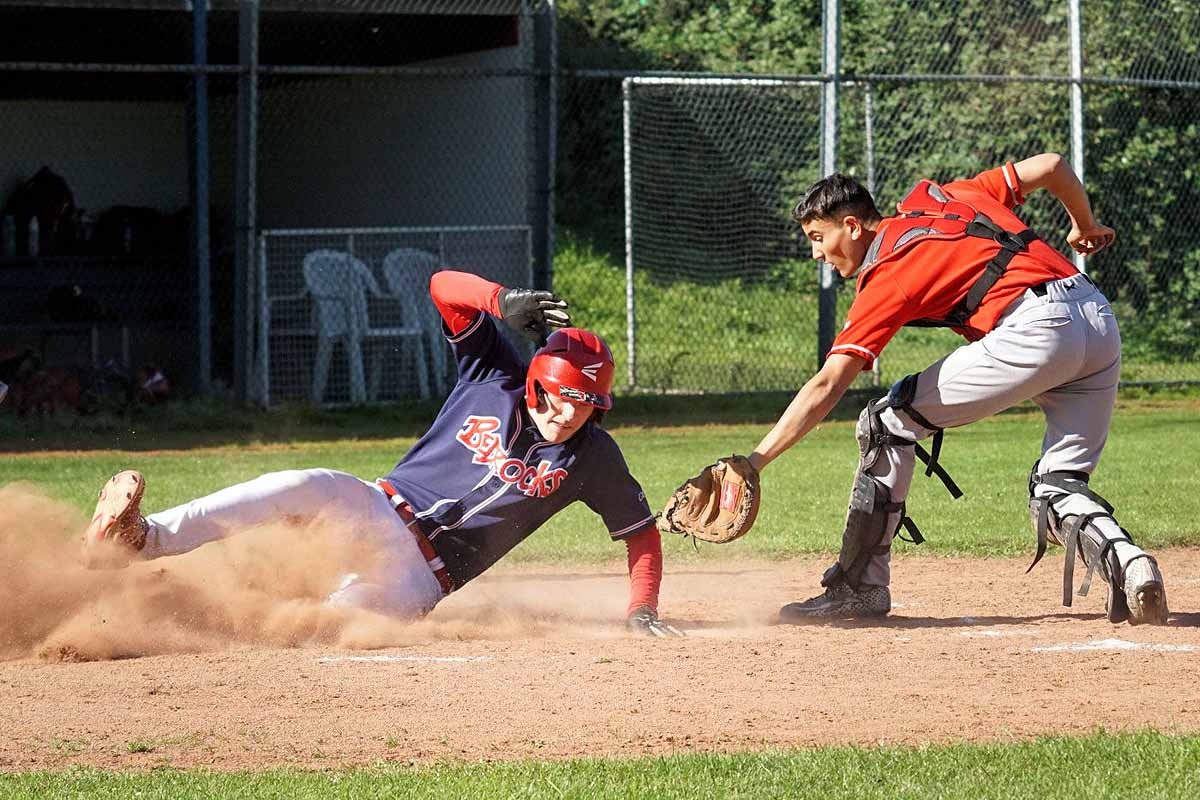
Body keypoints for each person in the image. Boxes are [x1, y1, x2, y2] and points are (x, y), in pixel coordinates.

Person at [81, 270, 682, 637]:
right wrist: (501, 300)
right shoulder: (491, 374)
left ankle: (158, 617)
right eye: (559, 398)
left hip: (420, 576)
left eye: (585, 405)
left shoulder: (592, 457)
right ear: (535, 382)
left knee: (316, 627)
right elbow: (444, 288)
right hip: (375, 506)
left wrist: (641, 610)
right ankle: (146, 538)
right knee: (302, 481)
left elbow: (641, 535)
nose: (569, 414)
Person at [746, 153, 1168, 626]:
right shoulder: (953, 195)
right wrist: (1083, 226)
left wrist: (755, 460)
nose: (816, 254)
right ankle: (1133, 566)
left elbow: (828, 382)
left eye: (819, 238)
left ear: (853, 226)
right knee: (1057, 485)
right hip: (1096, 314)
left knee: (884, 423)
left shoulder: (888, 274)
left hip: (1036, 329)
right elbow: (1051, 165)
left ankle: (858, 588)